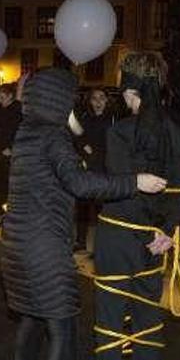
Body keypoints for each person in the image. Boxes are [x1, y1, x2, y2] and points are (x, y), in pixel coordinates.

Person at [0, 67, 167, 360]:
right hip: (43, 247)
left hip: (17, 243)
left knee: (31, 318)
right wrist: (134, 181)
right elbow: (80, 184)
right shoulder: (53, 135)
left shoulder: (27, 131)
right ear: (58, 99)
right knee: (63, 326)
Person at [79, 55, 180, 360]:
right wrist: (166, 229)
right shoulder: (175, 132)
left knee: (110, 318)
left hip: (118, 237)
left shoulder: (119, 132)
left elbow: (120, 187)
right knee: (146, 315)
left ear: (130, 88)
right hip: (154, 241)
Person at [74, 89, 115, 251]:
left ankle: (101, 247)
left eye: (101, 98)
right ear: (90, 101)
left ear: (107, 101)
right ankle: (80, 241)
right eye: (94, 98)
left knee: (101, 211)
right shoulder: (85, 118)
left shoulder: (112, 120)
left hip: (103, 171)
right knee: (82, 208)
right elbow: (77, 136)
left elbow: (115, 144)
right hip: (86, 170)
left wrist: (98, 152)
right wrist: (83, 146)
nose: (98, 101)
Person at [0, 83, 22, 228]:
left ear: (10, 96)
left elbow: (21, 132)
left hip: (11, 157)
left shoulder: (18, 111)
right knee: (0, 187)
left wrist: (12, 148)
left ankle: (13, 219)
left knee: (11, 189)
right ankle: (2, 215)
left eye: (2, 97)